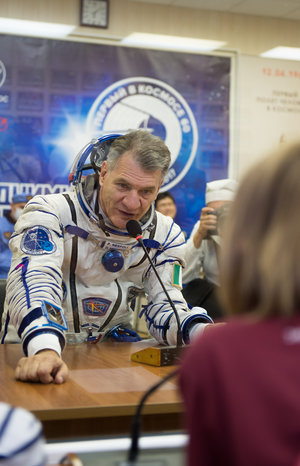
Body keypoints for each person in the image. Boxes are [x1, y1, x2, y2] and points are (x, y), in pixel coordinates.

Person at [0, 130, 213, 384]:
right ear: (103, 173)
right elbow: (36, 280)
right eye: (123, 186)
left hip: (110, 355)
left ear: (159, 188)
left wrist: (205, 333)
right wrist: (44, 348)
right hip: (32, 347)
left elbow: (167, 306)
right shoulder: (50, 212)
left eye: (146, 191)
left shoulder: (164, 234)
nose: (133, 203)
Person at [179, 142, 300, 466]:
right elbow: (181, 278)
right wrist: (198, 239)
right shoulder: (201, 232)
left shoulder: (218, 355)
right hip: (228, 305)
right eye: (214, 211)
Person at [182, 178, 237, 319]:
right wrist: (199, 235)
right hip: (215, 300)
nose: (220, 216)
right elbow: (184, 276)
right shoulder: (204, 227)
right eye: (214, 212)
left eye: (225, 210)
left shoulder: (249, 226)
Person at [0, 193, 31, 279]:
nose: (24, 211)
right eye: (21, 207)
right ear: (12, 206)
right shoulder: (1, 224)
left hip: (25, 277)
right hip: (2, 276)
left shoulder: (33, 228)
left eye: (27, 208)